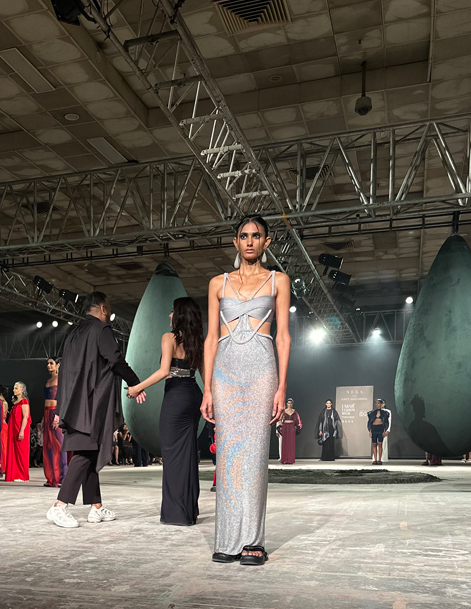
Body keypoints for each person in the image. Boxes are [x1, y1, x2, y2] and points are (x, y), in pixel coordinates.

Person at [201, 215, 290, 565]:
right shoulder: (217, 284)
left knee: (254, 456)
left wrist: (282, 386)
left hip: (261, 370)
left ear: (266, 242)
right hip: (225, 371)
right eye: (244, 236)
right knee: (228, 456)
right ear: (235, 242)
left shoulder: (278, 280)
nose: (250, 241)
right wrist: (207, 388)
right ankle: (228, 538)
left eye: (256, 236)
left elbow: (283, 337)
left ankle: (253, 540)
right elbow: (211, 338)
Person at [47, 291, 141, 529]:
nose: (109, 314)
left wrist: (61, 405)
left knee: (89, 452)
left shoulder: (73, 334)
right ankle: (59, 506)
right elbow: (115, 360)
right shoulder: (101, 329)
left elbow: (66, 371)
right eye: (107, 309)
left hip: (74, 402)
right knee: (84, 453)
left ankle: (96, 507)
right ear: (102, 308)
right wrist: (135, 383)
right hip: (91, 403)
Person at [128, 297, 205, 526]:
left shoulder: (168, 338)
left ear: (180, 315)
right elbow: (204, 374)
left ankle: (176, 514)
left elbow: (163, 371)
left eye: (172, 311)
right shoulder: (197, 341)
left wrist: (137, 387)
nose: (170, 315)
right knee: (188, 454)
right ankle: (189, 510)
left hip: (176, 398)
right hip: (193, 395)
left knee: (171, 456)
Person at [42, 358, 67, 487]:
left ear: (58, 365)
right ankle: (51, 477)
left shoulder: (60, 379)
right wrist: (43, 418)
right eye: (48, 363)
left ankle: (63, 478)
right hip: (47, 413)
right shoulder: (48, 381)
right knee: (48, 446)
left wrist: (58, 416)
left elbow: (63, 398)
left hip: (56, 412)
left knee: (59, 445)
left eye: (51, 363)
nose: (49, 365)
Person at [5, 382, 31, 482]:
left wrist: (22, 431)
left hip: (20, 429)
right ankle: (15, 474)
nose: (14, 390)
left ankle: (22, 475)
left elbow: (25, 417)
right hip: (13, 429)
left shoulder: (24, 401)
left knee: (21, 452)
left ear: (22, 390)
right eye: (14, 388)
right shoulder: (16, 402)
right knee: (14, 452)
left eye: (16, 388)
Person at [277, 399, 302, 465]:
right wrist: (281, 426)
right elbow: (280, 419)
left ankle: (290, 460)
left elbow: (298, 420)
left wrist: (296, 427)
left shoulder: (294, 412)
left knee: (291, 443)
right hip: (285, 427)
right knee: (285, 443)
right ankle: (284, 459)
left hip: (291, 428)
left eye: (291, 403)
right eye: (288, 403)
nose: (289, 404)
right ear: (287, 404)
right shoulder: (284, 411)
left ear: (292, 404)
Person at [367, 399, 390, 465]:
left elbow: (386, 422)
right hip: (374, 428)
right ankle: (375, 459)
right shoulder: (372, 413)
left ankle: (379, 459)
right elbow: (370, 422)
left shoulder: (385, 413)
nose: (377, 404)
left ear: (381, 404)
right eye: (376, 403)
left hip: (380, 428)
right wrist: (370, 430)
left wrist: (385, 430)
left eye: (378, 403)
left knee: (380, 444)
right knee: (374, 444)